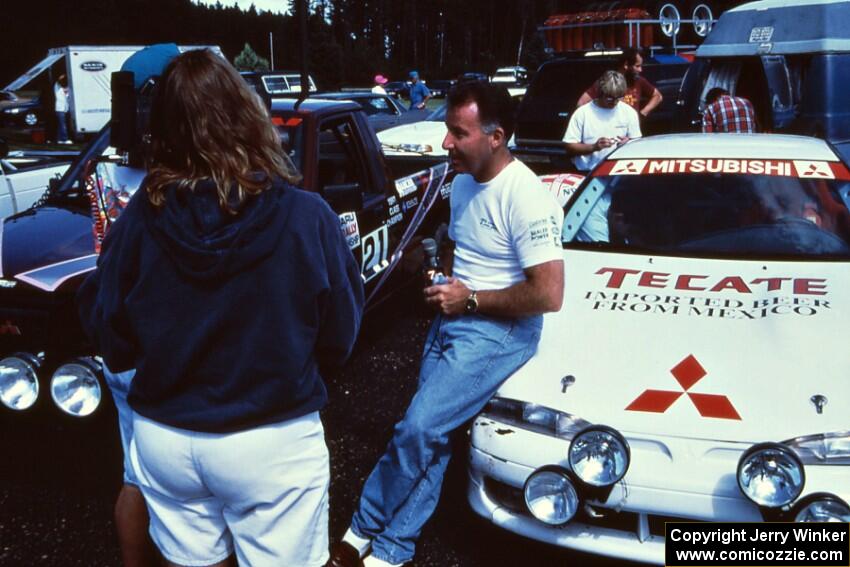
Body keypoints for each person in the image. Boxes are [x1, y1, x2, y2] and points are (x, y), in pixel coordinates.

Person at [77, 49, 364, 567]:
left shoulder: (141, 215)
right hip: (269, 439)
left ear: (163, 127)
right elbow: (340, 334)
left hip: (167, 440)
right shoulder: (306, 215)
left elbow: (109, 331)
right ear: (248, 113)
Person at [327, 81, 564, 567]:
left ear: (496, 137)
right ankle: (392, 551)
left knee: (416, 429)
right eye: (447, 131)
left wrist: (470, 298)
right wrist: (438, 270)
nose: (445, 144)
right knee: (433, 437)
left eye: (458, 133)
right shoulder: (460, 182)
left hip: (500, 331)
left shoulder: (526, 196)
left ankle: (360, 531)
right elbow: (461, 245)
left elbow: (548, 294)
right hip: (456, 316)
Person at [564, 70, 642, 173]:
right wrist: (594, 147)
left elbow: (637, 142)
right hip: (587, 171)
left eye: (619, 98)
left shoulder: (629, 112)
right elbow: (569, 146)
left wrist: (628, 143)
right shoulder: (583, 113)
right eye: (610, 98)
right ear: (600, 93)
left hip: (617, 171)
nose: (614, 102)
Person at [577, 47, 662, 119]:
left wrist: (643, 113)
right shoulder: (606, 81)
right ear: (626, 65)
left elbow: (658, 96)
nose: (640, 70)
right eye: (637, 66)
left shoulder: (639, 81)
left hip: (631, 131)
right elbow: (581, 103)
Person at [54, 74, 71, 144]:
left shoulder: (66, 88)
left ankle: (59, 139)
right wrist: (60, 77)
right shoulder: (57, 87)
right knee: (63, 125)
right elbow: (58, 82)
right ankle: (65, 139)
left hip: (65, 109)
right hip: (59, 108)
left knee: (61, 124)